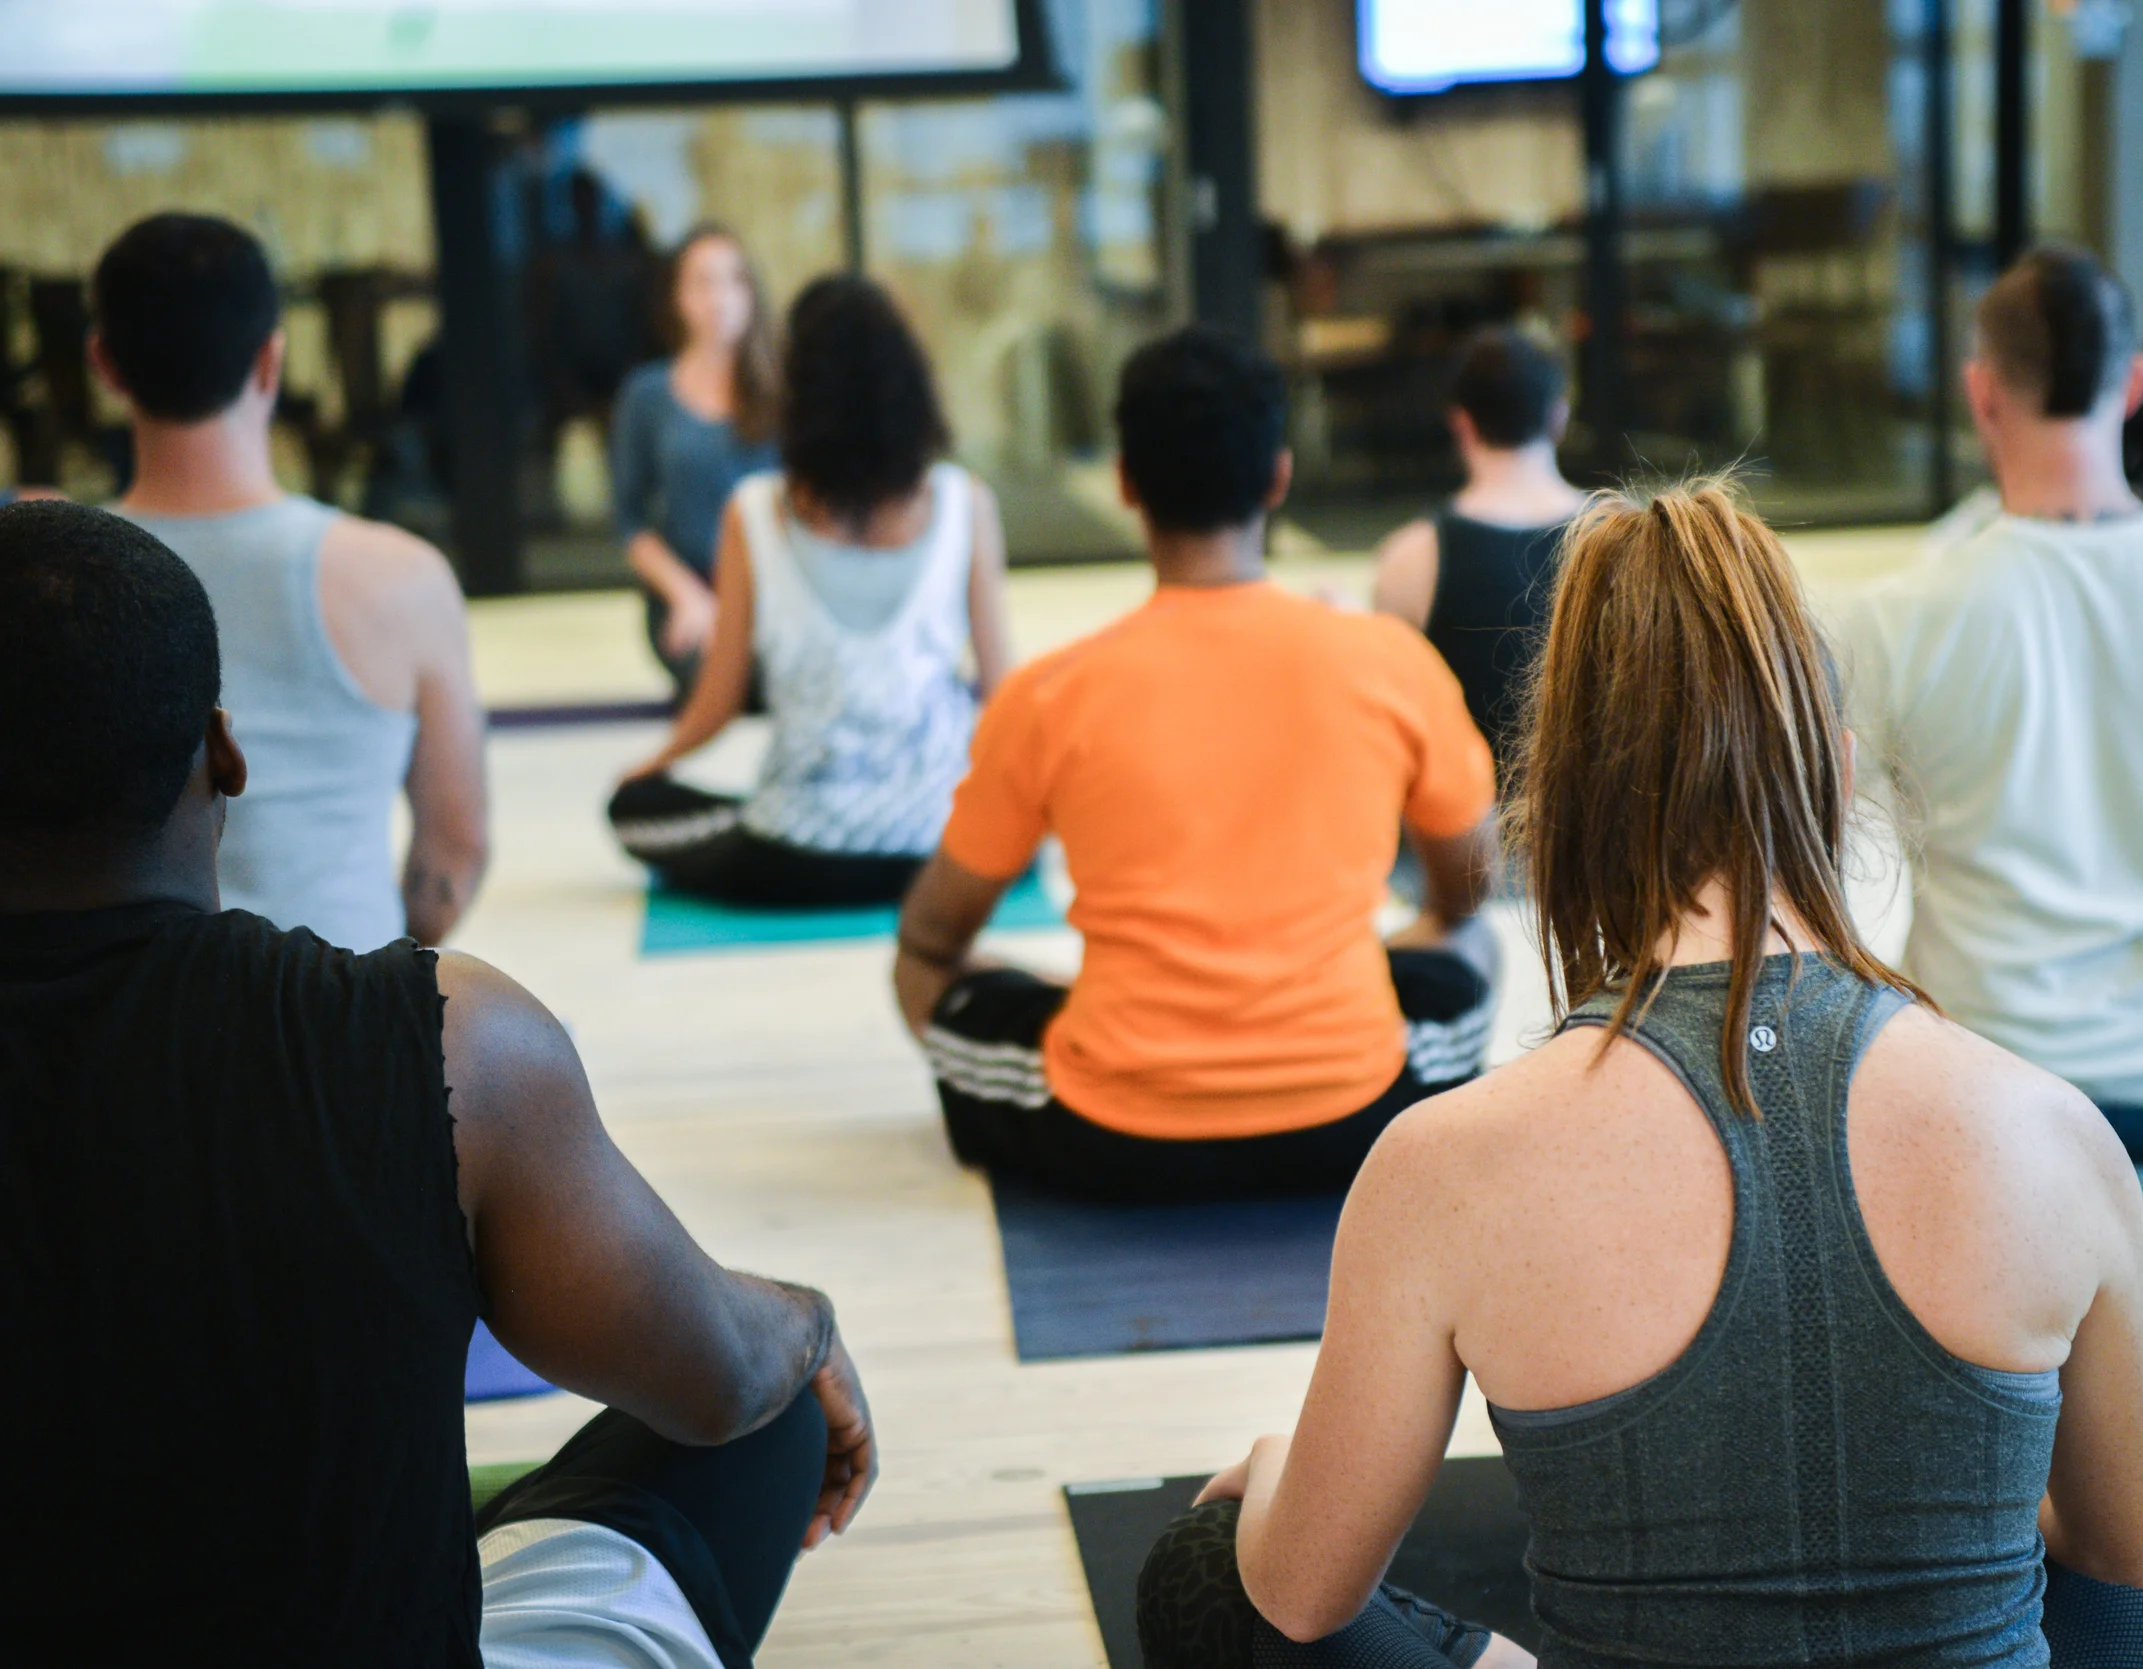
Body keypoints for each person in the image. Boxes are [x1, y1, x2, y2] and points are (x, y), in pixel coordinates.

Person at [1135, 480, 2143, 1669]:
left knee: (1208, 1570)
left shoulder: (1445, 1165)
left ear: (1564, 803)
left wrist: (1273, 1476)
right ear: (1837, 777)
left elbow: (1303, 1594)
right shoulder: (2052, 1130)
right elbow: (2129, 1559)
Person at [0, 500, 877, 1665]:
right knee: (763, 1410)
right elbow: (713, 1380)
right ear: (222, 752)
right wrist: (807, 1322)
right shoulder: (448, 1040)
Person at [893, 326, 1500, 1203]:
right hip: (1355, 1119)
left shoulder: (1049, 693)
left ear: (1126, 484)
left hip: (1118, 1134)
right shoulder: (1389, 661)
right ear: (1279, 478)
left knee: (924, 973)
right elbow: (1466, 892)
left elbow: (933, 932)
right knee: (1471, 943)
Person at [1840, 246, 2143, 1161]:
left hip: (1982, 1095)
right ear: (2137, 382)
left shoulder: (1893, 616)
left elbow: (1819, 841)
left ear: (1980, 391)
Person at [95, 212, 488, 952]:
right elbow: (454, 853)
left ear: (105, 365)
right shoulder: (400, 577)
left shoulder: (45, 579)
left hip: (118, 1032)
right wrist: (362, 989)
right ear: (272, 362)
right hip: (339, 1013)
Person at [611, 275, 1014, 907]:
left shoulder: (752, 512)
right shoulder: (967, 504)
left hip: (798, 854)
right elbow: (1004, 695)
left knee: (638, 808)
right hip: (942, 847)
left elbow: (716, 705)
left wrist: (645, 767)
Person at [1371, 327, 1587, 768]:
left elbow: (1397, 733)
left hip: (1468, 832)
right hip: (1603, 829)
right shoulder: (1622, 533)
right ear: (1559, 417)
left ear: (1462, 423)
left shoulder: (1410, 560)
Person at [610, 225, 782, 693]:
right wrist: (689, 596)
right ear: (678, 297)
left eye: (734, 281)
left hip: (780, 594)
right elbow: (630, 522)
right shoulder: (646, 396)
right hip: (690, 595)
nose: (720, 298)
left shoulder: (784, 391)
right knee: (723, 680)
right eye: (703, 282)